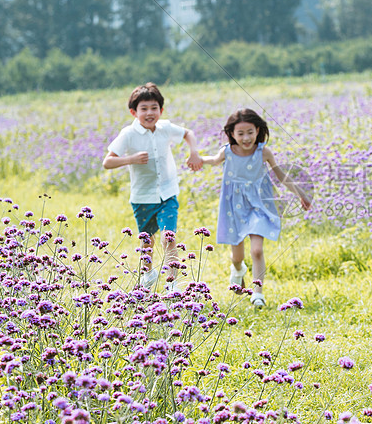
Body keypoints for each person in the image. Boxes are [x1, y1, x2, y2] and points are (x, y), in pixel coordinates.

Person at [200, 108, 311, 307]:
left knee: (257, 250)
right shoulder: (227, 151)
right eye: (240, 133)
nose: (246, 138)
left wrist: (300, 193)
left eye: (250, 132)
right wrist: (198, 160)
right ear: (232, 134)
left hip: (260, 204)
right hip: (233, 206)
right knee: (237, 256)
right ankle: (238, 269)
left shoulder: (263, 152)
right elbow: (213, 160)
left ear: (258, 130)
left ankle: (257, 292)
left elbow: (281, 176)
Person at [103, 82, 203, 288]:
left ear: (161, 110)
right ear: (133, 112)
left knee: (169, 237)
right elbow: (108, 162)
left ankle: (173, 284)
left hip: (168, 193)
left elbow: (188, 133)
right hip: (142, 197)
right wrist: (130, 159)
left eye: (154, 108)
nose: (150, 113)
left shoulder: (165, 127)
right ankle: (148, 275)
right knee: (147, 241)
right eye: (144, 109)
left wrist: (194, 152)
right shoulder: (128, 134)